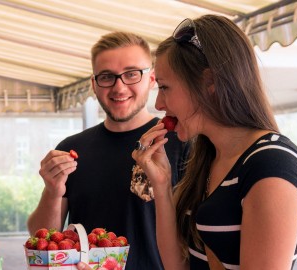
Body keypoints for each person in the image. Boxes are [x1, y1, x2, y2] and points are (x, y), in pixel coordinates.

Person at [125, 15, 297, 270]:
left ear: (209, 82)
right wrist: (161, 184)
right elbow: (178, 266)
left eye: (165, 87)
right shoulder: (210, 157)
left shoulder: (272, 164)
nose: (158, 104)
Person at [27, 32, 188, 269]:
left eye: (131, 74)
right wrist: (52, 191)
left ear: (152, 79)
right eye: (106, 77)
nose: (119, 87)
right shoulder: (72, 149)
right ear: (94, 84)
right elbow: (42, 237)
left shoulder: (179, 142)